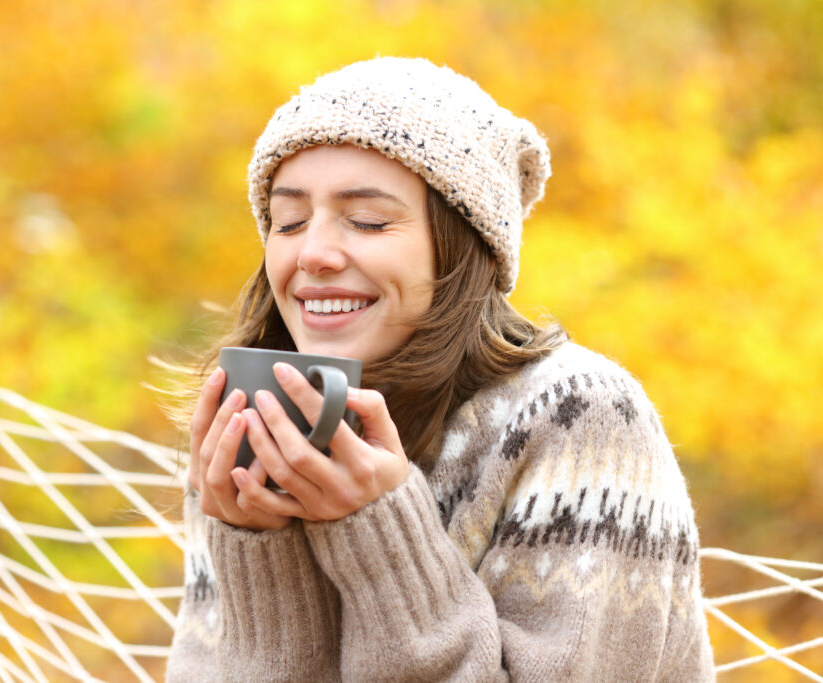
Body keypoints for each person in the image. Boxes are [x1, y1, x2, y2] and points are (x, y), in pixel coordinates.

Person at [166, 57, 714, 682]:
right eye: (288, 222)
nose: (312, 253)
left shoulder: (578, 418)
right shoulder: (252, 428)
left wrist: (377, 532)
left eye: (367, 220)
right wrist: (260, 550)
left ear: (460, 245)